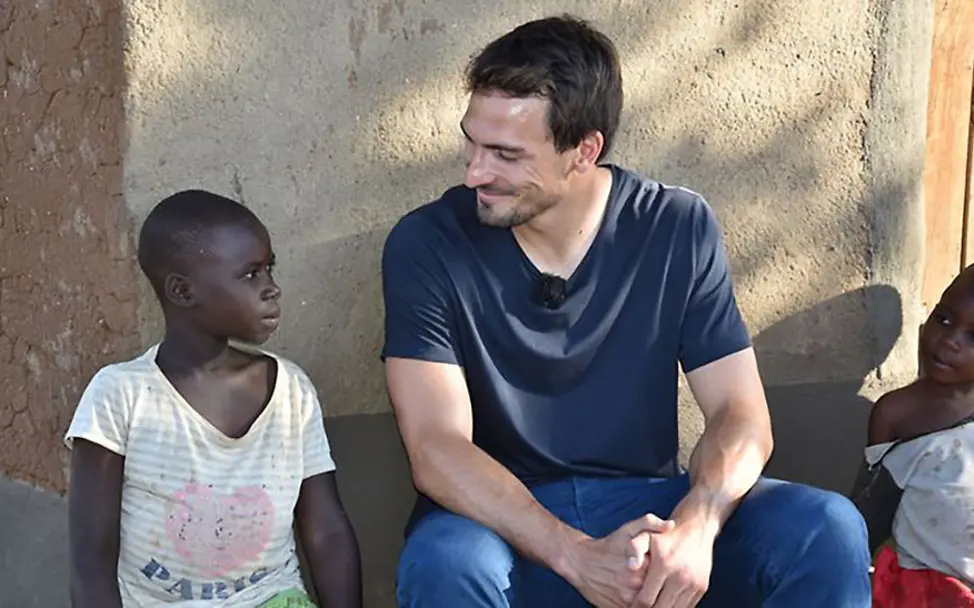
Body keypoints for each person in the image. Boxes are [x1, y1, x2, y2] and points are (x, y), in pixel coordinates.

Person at [380, 14, 870, 608]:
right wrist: (573, 554)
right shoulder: (427, 242)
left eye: (506, 155)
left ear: (584, 150)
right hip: (505, 523)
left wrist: (698, 524)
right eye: (472, 142)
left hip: (647, 508)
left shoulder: (675, 226)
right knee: (446, 562)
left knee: (825, 525)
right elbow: (436, 448)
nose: (475, 171)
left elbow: (741, 414)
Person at [65, 190, 362, 607]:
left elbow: (325, 528)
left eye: (270, 269)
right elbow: (90, 564)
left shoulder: (290, 391)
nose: (272, 289)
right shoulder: (120, 397)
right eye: (250, 274)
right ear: (183, 292)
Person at [850, 266, 974, 607]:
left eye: (973, 337)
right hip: (921, 591)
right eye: (944, 319)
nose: (949, 340)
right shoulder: (897, 413)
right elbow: (871, 510)